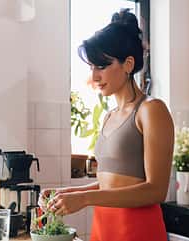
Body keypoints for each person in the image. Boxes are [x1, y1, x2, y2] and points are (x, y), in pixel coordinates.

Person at [38, 9, 174, 241]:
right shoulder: (109, 116)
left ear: (128, 64)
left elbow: (156, 190)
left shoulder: (151, 110)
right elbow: (109, 183)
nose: (94, 76)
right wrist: (67, 193)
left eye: (101, 66)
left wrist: (84, 199)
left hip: (137, 231)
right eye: (92, 67)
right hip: (103, 229)